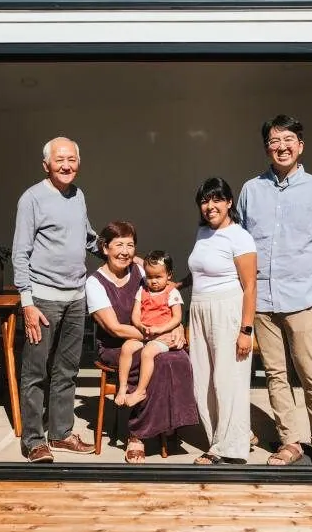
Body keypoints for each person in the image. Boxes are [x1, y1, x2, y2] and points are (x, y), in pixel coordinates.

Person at [237, 114, 312, 467]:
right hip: (263, 302)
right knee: (274, 375)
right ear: (266, 148)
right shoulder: (251, 190)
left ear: (300, 145)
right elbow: (236, 243)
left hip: (303, 300)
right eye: (273, 141)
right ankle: (289, 441)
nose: (280, 147)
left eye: (287, 140)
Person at [11, 136, 100, 463]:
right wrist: (27, 302)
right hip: (43, 299)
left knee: (67, 369)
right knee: (36, 371)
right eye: (60, 160)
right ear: (46, 164)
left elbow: (87, 238)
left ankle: (61, 433)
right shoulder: (32, 198)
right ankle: (33, 440)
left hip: (76, 297)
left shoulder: (78, 196)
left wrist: (117, 251)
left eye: (72, 159)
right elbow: (20, 253)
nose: (67, 165)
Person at [86, 222, 199, 464]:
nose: (125, 251)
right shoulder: (95, 282)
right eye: (119, 245)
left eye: (130, 245)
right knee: (152, 359)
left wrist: (176, 326)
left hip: (152, 335)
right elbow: (113, 328)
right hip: (116, 345)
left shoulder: (141, 270)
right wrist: (155, 335)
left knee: (176, 357)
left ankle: (168, 420)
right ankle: (136, 435)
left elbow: (167, 294)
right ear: (105, 248)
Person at [186, 177, 257, 465]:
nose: (210, 206)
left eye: (217, 199)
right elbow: (202, 271)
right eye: (205, 200)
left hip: (228, 311)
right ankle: (226, 435)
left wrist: (246, 330)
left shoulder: (240, 237)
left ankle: (227, 448)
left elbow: (250, 286)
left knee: (227, 381)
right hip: (199, 310)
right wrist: (174, 285)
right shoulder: (203, 233)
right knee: (202, 381)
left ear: (229, 202)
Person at [114, 250, 185, 408]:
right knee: (126, 347)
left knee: (148, 353)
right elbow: (136, 314)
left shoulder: (172, 292)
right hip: (144, 334)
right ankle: (123, 386)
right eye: (149, 276)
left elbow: (176, 317)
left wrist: (161, 329)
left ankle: (140, 391)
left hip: (162, 337)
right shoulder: (143, 290)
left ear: (169, 275)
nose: (153, 281)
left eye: (158, 277)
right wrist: (139, 325)